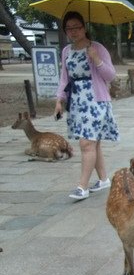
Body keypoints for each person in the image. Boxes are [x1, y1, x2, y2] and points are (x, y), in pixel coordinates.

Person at [54, 11, 118, 201]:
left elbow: (111, 76)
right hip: (77, 101)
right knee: (93, 142)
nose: (73, 32)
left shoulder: (97, 48)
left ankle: (82, 187)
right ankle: (104, 179)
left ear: (84, 27)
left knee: (86, 143)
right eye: (69, 28)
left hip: (96, 100)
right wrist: (59, 100)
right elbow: (64, 78)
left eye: (77, 27)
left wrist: (96, 59)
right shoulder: (66, 51)